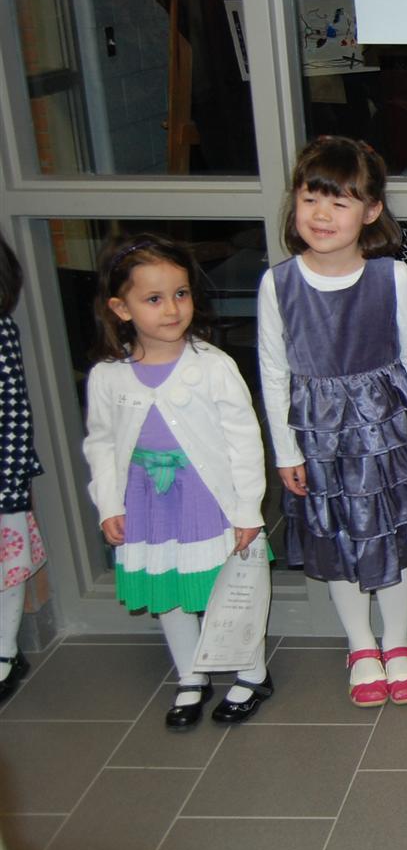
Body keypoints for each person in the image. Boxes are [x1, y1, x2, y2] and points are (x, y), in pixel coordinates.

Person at [258, 137, 407, 707]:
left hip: (384, 434)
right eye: (311, 198)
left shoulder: (393, 277)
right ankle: (360, 645)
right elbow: (272, 371)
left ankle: (397, 641)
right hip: (318, 440)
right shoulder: (278, 284)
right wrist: (286, 452)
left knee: (392, 538)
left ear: (370, 211)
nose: (322, 214)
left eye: (339, 202)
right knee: (338, 538)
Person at [83, 234, 272, 727]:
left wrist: (247, 508)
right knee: (167, 586)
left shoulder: (213, 367)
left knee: (225, 588)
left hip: (206, 500)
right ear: (121, 308)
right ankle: (191, 673)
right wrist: (109, 504)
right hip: (148, 502)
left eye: (181, 294)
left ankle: (250, 671)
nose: (171, 309)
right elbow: (101, 443)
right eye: (154, 298)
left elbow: (245, 442)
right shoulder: (108, 376)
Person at [0, 235, 46, 706]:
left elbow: (14, 410)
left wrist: (11, 481)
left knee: (7, 571)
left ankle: (5, 652)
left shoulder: (1, 333)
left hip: (1, 480)